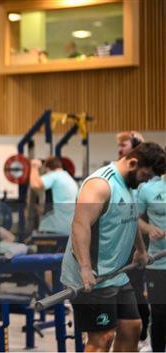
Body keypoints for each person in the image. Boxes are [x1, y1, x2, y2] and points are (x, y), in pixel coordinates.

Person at [61, 142, 166, 352]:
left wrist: (141, 251)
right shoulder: (101, 184)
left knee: (131, 328)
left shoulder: (130, 185)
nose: (146, 181)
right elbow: (80, 225)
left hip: (115, 274)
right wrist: (84, 267)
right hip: (94, 276)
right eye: (145, 175)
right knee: (103, 337)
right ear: (133, 162)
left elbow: (131, 217)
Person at [116, 130, 150, 351]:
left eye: (124, 144)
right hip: (123, 238)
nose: (120, 148)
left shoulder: (144, 177)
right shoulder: (119, 174)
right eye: (118, 145)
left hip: (139, 238)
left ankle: (142, 335)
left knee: (136, 287)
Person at [138, 170, 166, 352]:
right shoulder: (148, 189)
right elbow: (135, 218)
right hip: (157, 262)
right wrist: (149, 228)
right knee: (159, 314)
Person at [29, 156, 79, 236]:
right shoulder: (68, 178)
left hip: (57, 228)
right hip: (69, 227)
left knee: (35, 236)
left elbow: (35, 185)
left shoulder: (55, 175)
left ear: (47, 169)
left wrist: (34, 166)